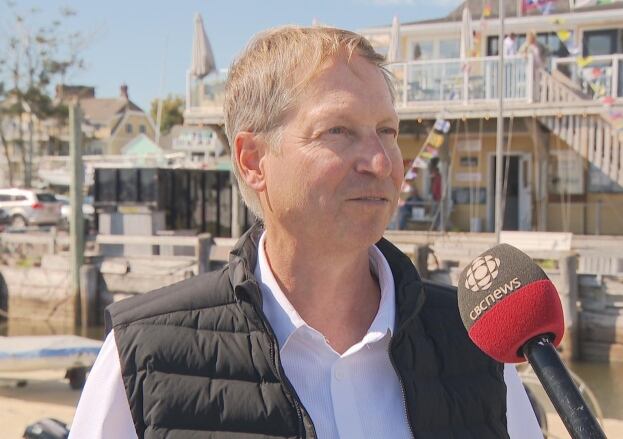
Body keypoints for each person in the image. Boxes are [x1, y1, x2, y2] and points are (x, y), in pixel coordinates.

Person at [69, 26, 544, 439]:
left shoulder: (475, 346)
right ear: (253, 160)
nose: (380, 162)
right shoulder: (146, 356)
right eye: (338, 131)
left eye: (387, 131)